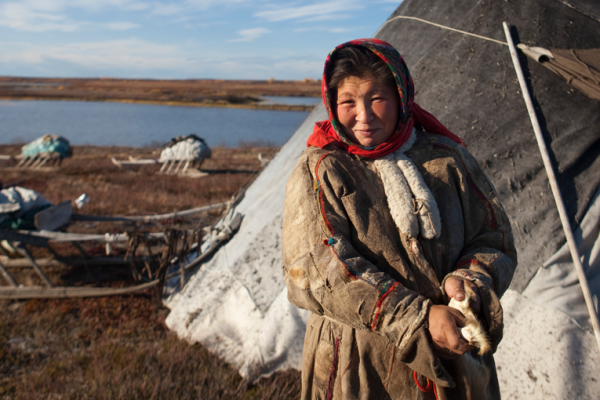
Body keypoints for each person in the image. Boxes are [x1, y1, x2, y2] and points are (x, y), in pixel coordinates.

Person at [282, 38, 517, 399]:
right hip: (359, 364)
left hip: (455, 350)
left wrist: (468, 282)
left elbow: (493, 236)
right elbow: (315, 271)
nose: (364, 115)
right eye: (347, 102)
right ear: (332, 104)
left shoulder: (448, 157)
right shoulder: (321, 170)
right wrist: (418, 318)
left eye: (377, 98)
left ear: (401, 96)